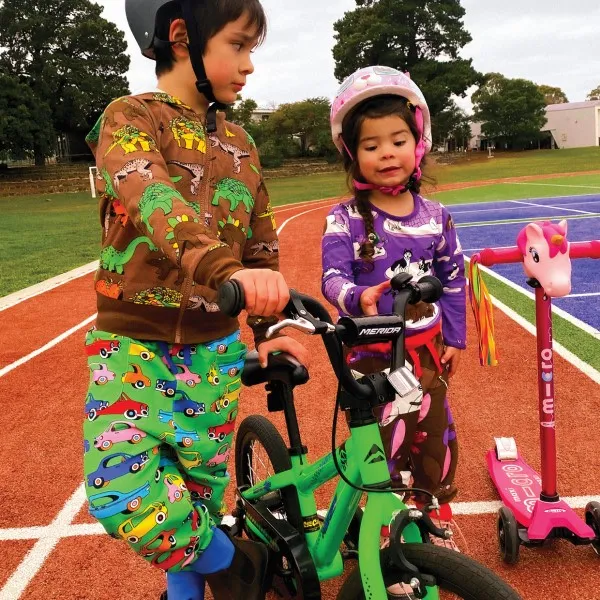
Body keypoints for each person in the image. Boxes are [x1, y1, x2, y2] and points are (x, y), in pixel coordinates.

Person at [83, 1, 307, 599]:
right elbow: (148, 192)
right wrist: (218, 264)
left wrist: (270, 325)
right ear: (182, 37)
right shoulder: (129, 118)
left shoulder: (242, 143)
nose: (249, 66)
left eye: (252, 49)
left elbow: (262, 245)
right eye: (238, 45)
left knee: (194, 504)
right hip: (134, 345)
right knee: (122, 493)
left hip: (213, 355)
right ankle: (239, 563)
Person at [321, 65, 466, 550]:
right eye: (371, 144)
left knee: (433, 433)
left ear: (419, 142)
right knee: (381, 445)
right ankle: (383, 532)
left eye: (398, 139)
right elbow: (332, 277)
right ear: (352, 154)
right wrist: (354, 297)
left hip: (425, 354)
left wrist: (455, 337)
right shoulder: (343, 220)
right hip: (370, 357)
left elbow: (452, 278)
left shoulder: (436, 217)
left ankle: (431, 519)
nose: (386, 152)